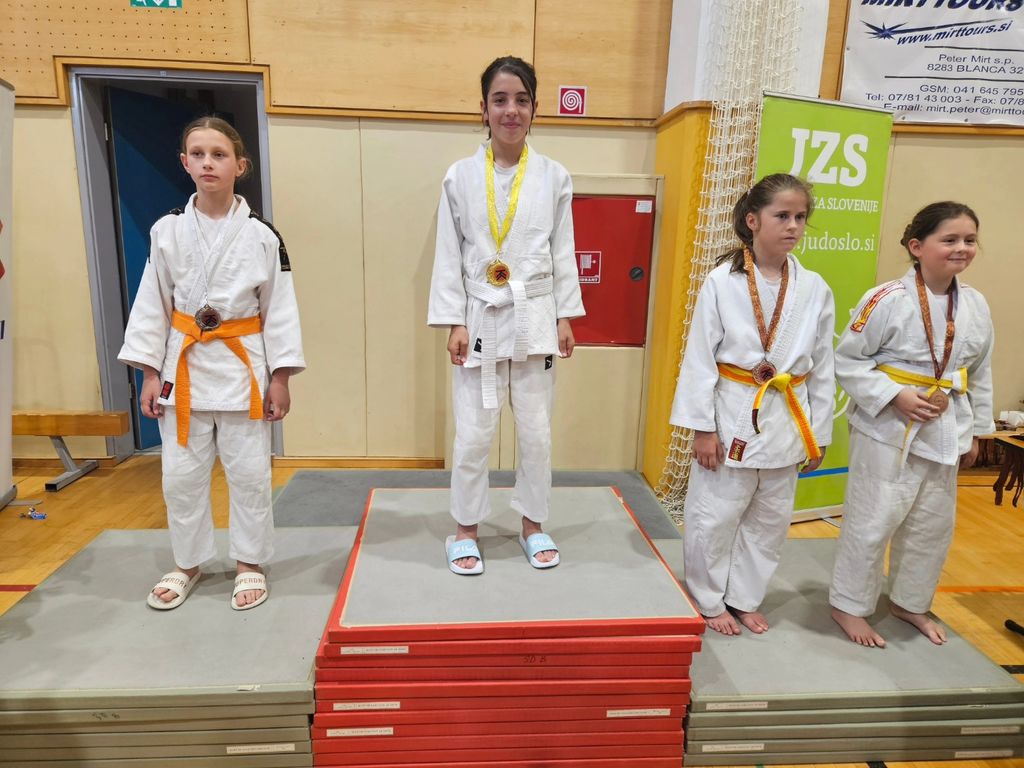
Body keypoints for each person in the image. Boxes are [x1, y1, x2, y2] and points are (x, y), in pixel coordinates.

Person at [119, 116, 304, 611]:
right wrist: (149, 373)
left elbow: (280, 309)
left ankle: (249, 562)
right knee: (181, 478)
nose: (207, 163)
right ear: (184, 163)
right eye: (197, 154)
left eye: (219, 154)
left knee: (249, 475)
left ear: (240, 165)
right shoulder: (167, 231)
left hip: (243, 369)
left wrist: (281, 377)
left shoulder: (263, 236)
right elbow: (152, 303)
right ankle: (188, 562)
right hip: (183, 369)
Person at [427, 56, 584, 575]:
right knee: (474, 433)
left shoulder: (555, 176)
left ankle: (533, 524)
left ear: (535, 108)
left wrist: (566, 315)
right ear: (484, 108)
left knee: (536, 433)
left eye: (521, 100)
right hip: (481, 316)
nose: (510, 110)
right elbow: (449, 252)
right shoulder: (459, 176)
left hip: (535, 314)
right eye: (500, 100)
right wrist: (454, 320)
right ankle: (465, 529)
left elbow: (564, 250)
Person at [671, 174, 835, 635]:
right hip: (732, 413)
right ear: (752, 220)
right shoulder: (722, 282)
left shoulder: (815, 288)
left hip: (788, 417)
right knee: (715, 515)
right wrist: (702, 429)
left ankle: (744, 597)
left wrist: (818, 434)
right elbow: (699, 358)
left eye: (800, 217)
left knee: (770, 521)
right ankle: (708, 598)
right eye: (782, 215)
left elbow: (823, 366)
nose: (793, 226)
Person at [830, 201, 994, 647]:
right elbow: (848, 361)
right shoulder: (885, 299)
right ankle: (849, 605)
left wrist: (978, 431)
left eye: (970, 240)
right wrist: (894, 395)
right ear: (917, 246)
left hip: (946, 426)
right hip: (887, 427)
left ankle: (910, 601)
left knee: (931, 525)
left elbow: (979, 372)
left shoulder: (975, 304)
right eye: (950, 239)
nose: (962, 248)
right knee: (873, 518)